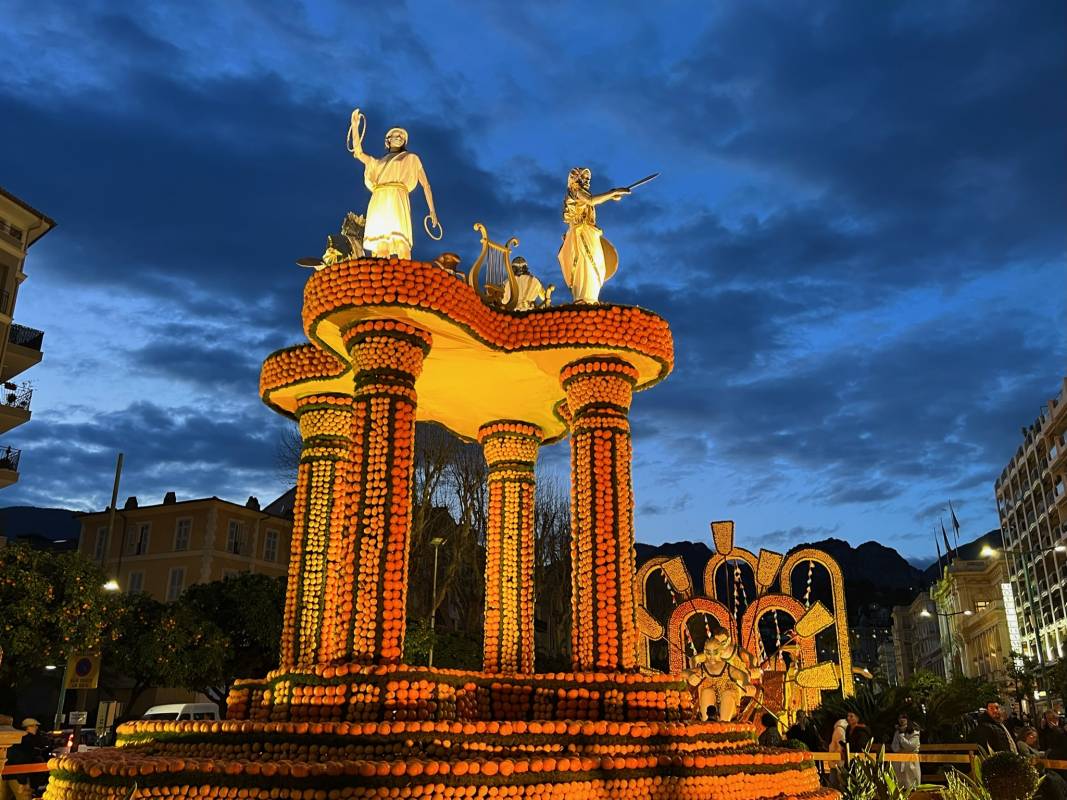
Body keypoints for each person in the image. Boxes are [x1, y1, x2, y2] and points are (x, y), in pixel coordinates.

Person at [349, 110, 438, 260]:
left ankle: (405, 278)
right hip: (380, 198)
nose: (399, 137)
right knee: (382, 245)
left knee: (402, 243)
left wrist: (432, 211)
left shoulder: (411, 158)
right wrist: (355, 127)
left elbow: (426, 185)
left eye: (402, 136)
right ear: (387, 140)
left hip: (398, 197)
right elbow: (358, 153)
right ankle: (383, 278)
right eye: (395, 135)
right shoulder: (377, 162)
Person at [557, 167, 629, 304]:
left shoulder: (581, 193)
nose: (586, 181)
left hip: (589, 232)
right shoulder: (576, 192)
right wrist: (612, 192)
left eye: (588, 179)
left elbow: (591, 200)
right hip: (581, 233)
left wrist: (611, 195)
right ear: (575, 179)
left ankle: (591, 298)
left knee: (596, 262)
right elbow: (591, 200)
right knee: (585, 263)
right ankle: (582, 298)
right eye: (583, 178)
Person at [891, 714, 922, 790]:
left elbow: (910, 746)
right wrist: (900, 749)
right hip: (898, 760)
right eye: (900, 718)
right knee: (898, 785)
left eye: (904, 718)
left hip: (910, 760)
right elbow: (894, 747)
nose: (902, 720)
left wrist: (901, 736)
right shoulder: (897, 732)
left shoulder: (915, 732)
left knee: (912, 785)